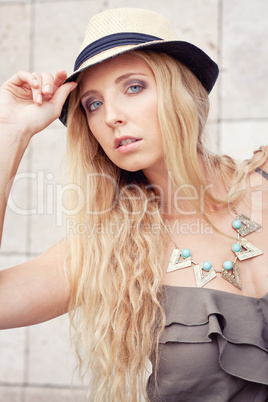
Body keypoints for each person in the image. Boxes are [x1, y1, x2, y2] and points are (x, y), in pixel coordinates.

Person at [0, 7, 267, 402]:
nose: (112, 117)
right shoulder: (107, 247)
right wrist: (12, 132)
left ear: (182, 89)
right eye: (93, 104)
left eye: (134, 87)